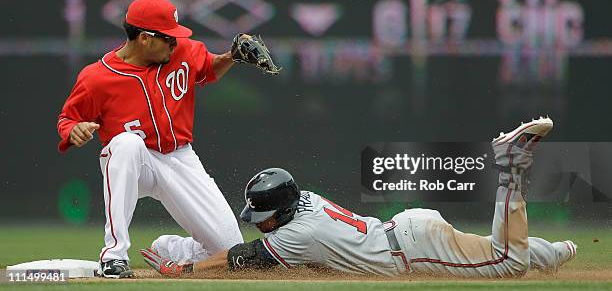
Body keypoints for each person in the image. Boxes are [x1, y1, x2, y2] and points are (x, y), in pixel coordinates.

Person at [141, 117, 577, 278]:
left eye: (265, 215)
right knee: (488, 251)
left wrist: (185, 267)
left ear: (284, 210)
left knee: (507, 262)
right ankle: (553, 253)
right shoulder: (305, 199)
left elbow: (238, 258)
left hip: (415, 251)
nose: (262, 222)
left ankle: (509, 166)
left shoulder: (299, 235)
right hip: (408, 233)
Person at [57, 0, 264, 278]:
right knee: (127, 144)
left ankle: (170, 249)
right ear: (144, 38)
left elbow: (205, 70)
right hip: (135, 163)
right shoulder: (97, 78)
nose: (175, 42)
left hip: (180, 157)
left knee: (228, 249)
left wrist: (231, 57)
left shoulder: (181, 52)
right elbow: (68, 118)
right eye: (168, 37)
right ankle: (114, 256)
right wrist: (73, 130)